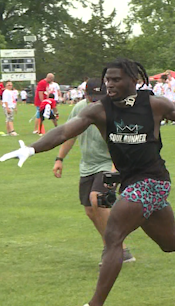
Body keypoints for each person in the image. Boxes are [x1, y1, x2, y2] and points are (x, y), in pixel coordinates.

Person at [0, 58, 175, 306]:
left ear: (134, 80)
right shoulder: (100, 109)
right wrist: (31, 149)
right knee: (171, 242)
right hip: (130, 183)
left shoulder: (154, 104)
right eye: (107, 79)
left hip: (153, 181)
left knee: (114, 234)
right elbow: (65, 131)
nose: (110, 84)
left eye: (116, 79)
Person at [52, 78, 134, 264]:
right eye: (93, 98)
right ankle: (118, 248)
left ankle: (114, 248)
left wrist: (114, 171)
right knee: (90, 210)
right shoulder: (79, 108)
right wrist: (59, 159)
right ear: (86, 95)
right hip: (88, 165)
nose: (97, 102)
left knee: (97, 199)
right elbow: (69, 134)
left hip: (109, 163)